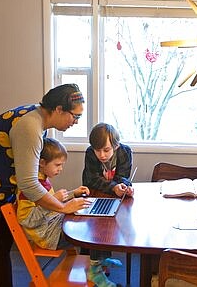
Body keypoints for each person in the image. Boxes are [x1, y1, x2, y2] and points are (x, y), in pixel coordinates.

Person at [0, 83, 90, 287]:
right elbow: (28, 184)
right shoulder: (30, 126)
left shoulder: (36, 119)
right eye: (75, 116)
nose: (76, 122)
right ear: (59, 109)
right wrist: (62, 207)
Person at [82, 122, 134, 287]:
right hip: (94, 195)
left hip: (114, 195)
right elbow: (91, 179)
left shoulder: (125, 152)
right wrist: (114, 187)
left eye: (106, 150)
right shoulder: (90, 153)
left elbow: (123, 176)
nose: (102, 155)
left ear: (116, 146)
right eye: (98, 150)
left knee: (112, 228)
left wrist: (125, 186)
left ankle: (103, 258)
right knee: (95, 229)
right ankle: (94, 268)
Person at [17, 137, 90, 250]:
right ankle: (95, 262)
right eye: (57, 165)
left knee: (88, 220)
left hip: (55, 224)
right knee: (86, 230)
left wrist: (73, 193)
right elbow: (27, 221)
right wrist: (53, 199)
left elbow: (54, 202)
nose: (60, 169)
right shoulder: (30, 188)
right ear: (42, 163)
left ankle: (96, 260)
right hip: (49, 236)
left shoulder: (43, 179)